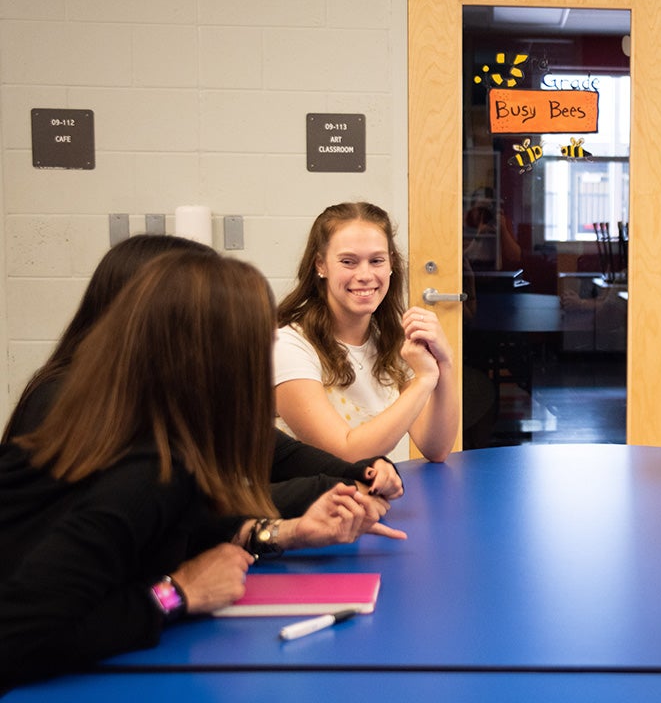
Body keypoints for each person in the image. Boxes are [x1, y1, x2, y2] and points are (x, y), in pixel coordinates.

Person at [0, 252, 347, 690]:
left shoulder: (139, 438)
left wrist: (287, 532)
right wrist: (177, 594)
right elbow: (16, 637)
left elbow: (171, 530)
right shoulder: (149, 469)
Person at [1, 234, 407, 521]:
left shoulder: (163, 388)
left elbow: (266, 448)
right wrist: (326, 493)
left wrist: (356, 473)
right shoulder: (69, 401)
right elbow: (194, 507)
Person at [275, 202, 458, 463]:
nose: (365, 275)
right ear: (321, 265)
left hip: (366, 497)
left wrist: (445, 362)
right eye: (348, 261)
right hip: (301, 501)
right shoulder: (288, 344)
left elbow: (436, 448)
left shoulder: (390, 340)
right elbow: (345, 454)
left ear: (391, 264)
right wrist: (425, 380)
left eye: (376, 261)